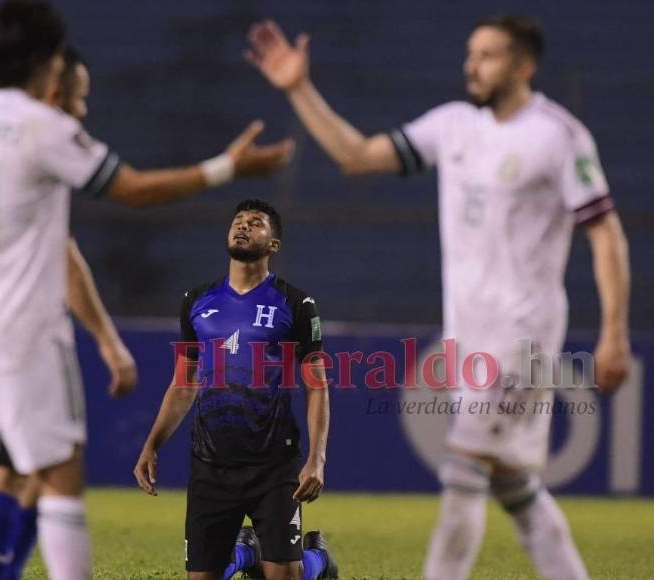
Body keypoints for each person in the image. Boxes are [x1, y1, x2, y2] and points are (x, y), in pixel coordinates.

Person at [0, 0, 293, 578]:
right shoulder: (40, 127)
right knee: (60, 476)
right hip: (21, 334)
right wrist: (227, 168)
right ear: (44, 62)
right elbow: (132, 189)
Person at [245, 15, 631, 580]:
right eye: (471, 53)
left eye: (490, 55)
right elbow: (357, 155)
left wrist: (614, 332)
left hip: (522, 336)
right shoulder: (452, 127)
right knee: (514, 485)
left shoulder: (558, 135)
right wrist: (299, 88)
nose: (473, 64)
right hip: (469, 337)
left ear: (524, 65)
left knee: (464, 466)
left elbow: (606, 233)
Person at [0, 46, 137, 580]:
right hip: (20, 332)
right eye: (79, 97)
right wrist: (222, 168)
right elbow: (68, 253)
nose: (82, 110)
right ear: (54, 89)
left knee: (10, 470)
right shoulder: (34, 143)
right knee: (42, 466)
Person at [134, 199, 338, 580]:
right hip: (211, 463)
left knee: (284, 576)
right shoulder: (196, 302)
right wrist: (152, 445)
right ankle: (245, 553)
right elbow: (184, 382)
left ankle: (318, 560)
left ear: (273, 245)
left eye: (256, 223)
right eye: (238, 221)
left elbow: (317, 385)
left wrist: (317, 457)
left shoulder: (296, 303)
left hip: (275, 464)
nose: (243, 226)